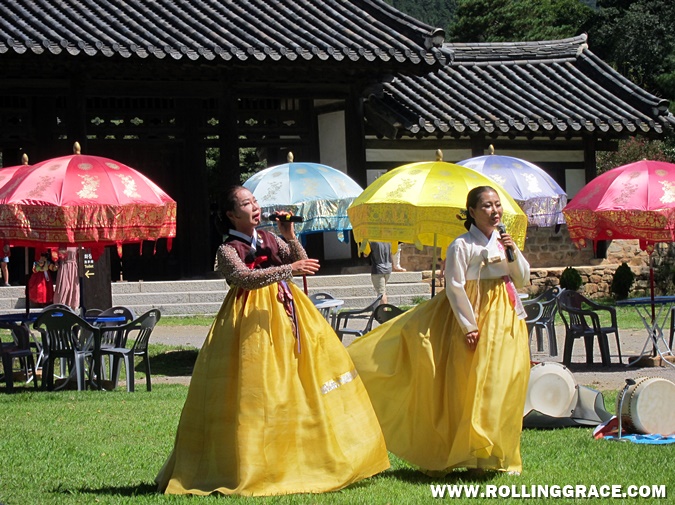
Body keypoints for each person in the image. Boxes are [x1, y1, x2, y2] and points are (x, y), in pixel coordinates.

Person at [156, 185, 389, 496]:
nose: (254, 206)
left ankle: (306, 455)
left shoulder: (270, 238)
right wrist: (288, 268)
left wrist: (289, 235)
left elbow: (302, 262)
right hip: (249, 321)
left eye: (254, 201)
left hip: (287, 312)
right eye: (245, 203)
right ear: (230, 214)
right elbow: (245, 278)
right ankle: (252, 461)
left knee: (297, 382)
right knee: (257, 388)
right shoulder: (227, 250)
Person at [348, 186, 531, 475]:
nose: (494, 211)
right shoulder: (461, 245)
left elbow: (521, 279)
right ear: (471, 211)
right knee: (475, 386)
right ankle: (473, 455)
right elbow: (455, 286)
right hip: (475, 315)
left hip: (505, 317)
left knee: (503, 382)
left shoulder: (504, 242)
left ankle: (496, 452)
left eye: (497, 205)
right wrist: (469, 325)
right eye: (487, 205)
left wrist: (512, 253)